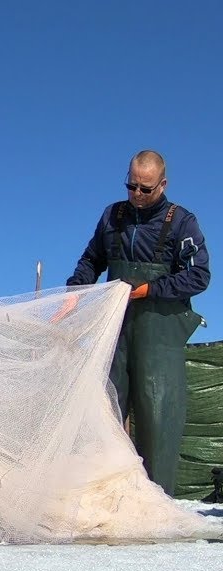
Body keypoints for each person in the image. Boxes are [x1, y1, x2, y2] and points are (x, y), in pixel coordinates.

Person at [63, 149, 209, 495]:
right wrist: (75, 291)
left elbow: (199, 276)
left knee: (157, 417)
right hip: (113, 330)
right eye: (132, 186)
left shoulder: (182, 221)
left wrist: (151, 290)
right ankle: (101, 497)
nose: (137, 195)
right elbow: (91, 260)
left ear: (163, 184)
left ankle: (157, 501)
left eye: (146, 189)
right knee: (104, 409)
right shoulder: (112, 216)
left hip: (157, 334)